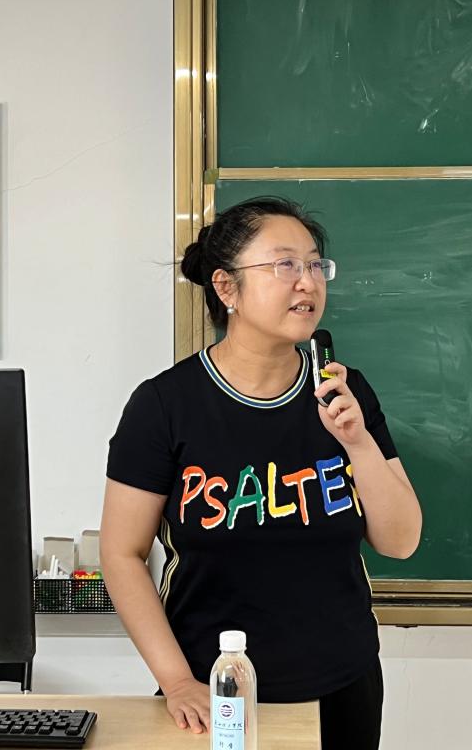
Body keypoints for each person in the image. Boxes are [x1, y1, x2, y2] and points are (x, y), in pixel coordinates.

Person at [100, 196, 422, 750]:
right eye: (285, 264)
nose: (307, 281)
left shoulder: (345, 393)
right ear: (227, 288)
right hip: (213, 690)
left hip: (343, 687)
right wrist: (176, 681)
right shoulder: (165, 406)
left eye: (315, 264)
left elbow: (400, 541)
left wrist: (357, 441)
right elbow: (121, 553)